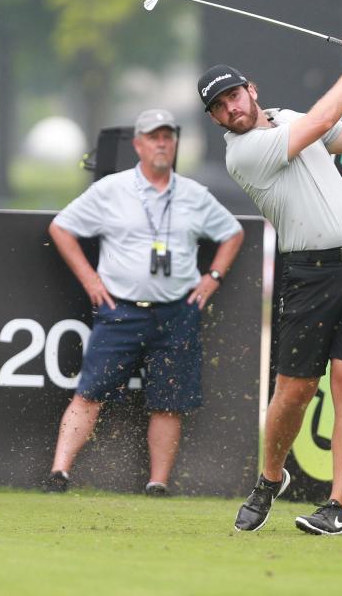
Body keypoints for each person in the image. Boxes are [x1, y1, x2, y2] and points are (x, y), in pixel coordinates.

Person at [198, 37, 342, 535]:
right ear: (216, 119)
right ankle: (269, 479)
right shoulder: (245, 153)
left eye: (233, 96)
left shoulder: (285, 118)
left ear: (251, 90)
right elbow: (324, 121)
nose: (230, 108)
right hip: (309, 274)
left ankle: (338, 509)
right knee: (295, 390)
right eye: (219, 107)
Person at [44, 108, 244, 495]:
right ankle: (59, 473)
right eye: (154, 137)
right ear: (138, 144)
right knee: (89, 393)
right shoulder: (111, 189)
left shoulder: (193, 194)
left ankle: (157, 483)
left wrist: (213, 277)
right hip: (121, 309)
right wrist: (89, 279)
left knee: (167, 401)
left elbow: (232, 233)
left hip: (176, 311)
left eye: (168, 137)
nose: (162, 143)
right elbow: (62, 228)